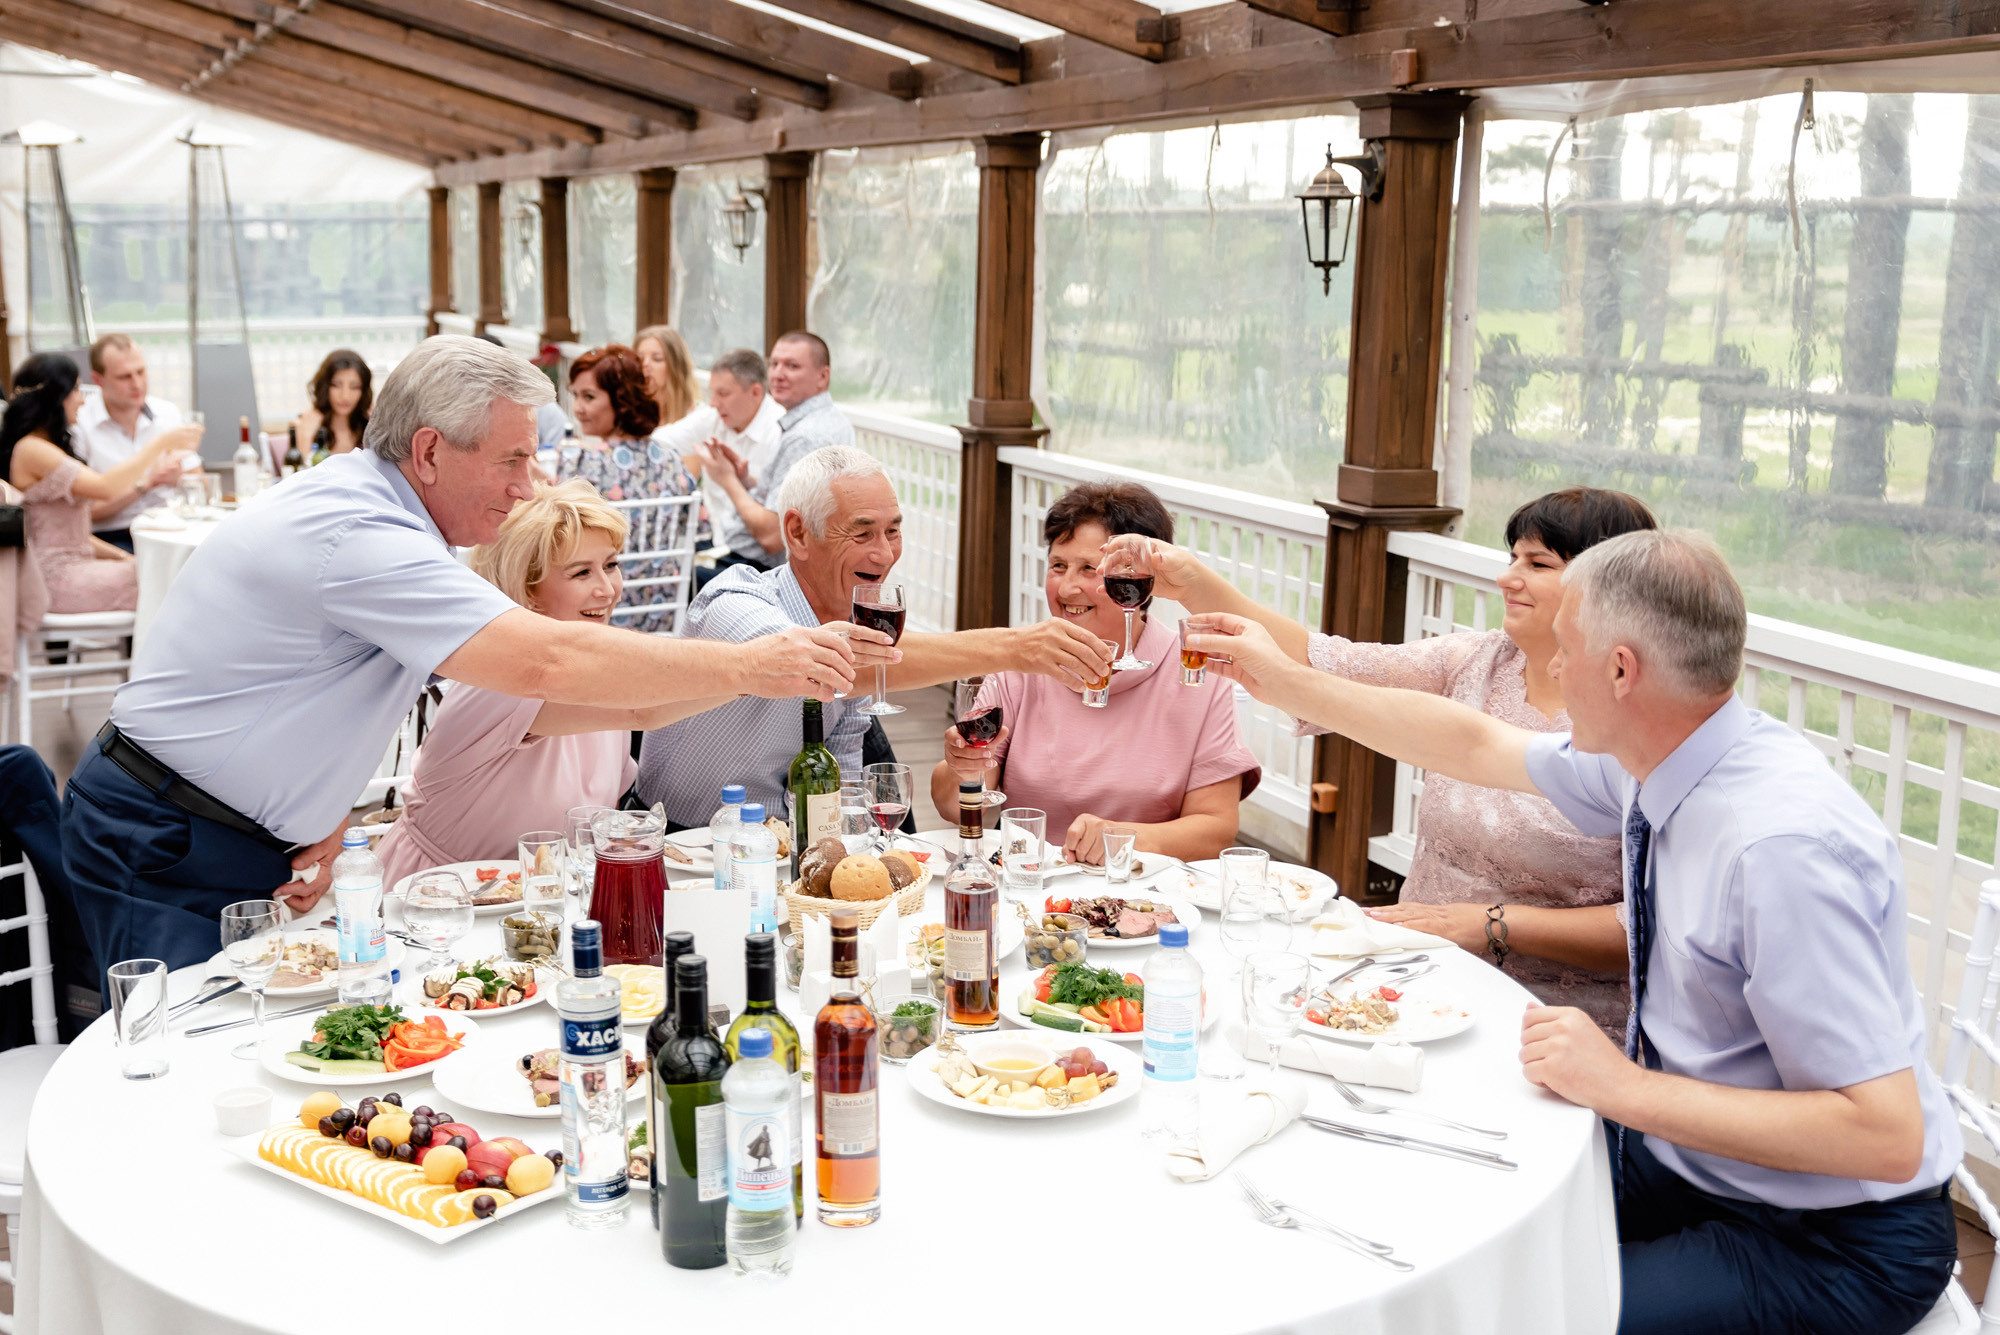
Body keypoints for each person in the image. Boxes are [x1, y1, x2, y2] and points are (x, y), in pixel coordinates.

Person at [1187, 530, 1961, 1335]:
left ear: (1622, 670)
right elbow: (1472, 740)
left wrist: (1622, 1087)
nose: (1549, 673)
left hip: (1828, 1237)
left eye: (1563, 652)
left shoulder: (1779, 848)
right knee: (1425, 1207)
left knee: (1518, 1314)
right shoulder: (1659, 754)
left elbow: (1885, 1134)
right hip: (1684, 1160)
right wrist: (1286, 682)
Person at [63, 334, 856, 980]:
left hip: (218, 829)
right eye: (513, 458)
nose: (527, 485)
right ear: (432, 450)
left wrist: (324, 803)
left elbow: (302, 674)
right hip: (166, 831)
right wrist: (753, 665)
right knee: (171, 1064)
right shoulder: (368, 537)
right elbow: (547, 662)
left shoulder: (375, 510)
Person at [1116, 487, 1653, 1033]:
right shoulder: (1479, 660)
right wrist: (1195, 586)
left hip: (1555, 1021)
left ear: (1601, 587)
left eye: (1537, 563)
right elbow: (1328, 664)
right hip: (1416, 980)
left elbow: (1648, 928)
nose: (1507, 577)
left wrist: (1489, 924)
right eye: (1511, 557)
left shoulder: (1636, 728)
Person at [637, 446, 1114, 828]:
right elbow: (815, 662)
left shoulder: (860, 648)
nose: (885, 554)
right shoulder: (732, 600)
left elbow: (845, 772)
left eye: (894, 531)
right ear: (798, 533)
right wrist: (1016, 648)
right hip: (679, 846)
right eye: (862, 534)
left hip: (784, 848)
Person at [373, 480, 729, 885]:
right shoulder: (503, 675)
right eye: (581, 572)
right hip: (435, 893)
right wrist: (758, 671)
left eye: (611, 565)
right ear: (529, 592)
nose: (607, 589)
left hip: (536, 899)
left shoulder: (598, 672)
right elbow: (643, 708)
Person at [929, 481, 1258, 865]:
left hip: (1144, 893)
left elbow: (1215, 831)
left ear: (1143, 581)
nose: (1067, 588)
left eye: (1090, 569)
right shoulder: (1020, 664)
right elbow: (953, 806)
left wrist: (1120, 837)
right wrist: (961, 767)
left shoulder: (1195, 672)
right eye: (1058, 566)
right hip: (1029, 884)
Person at [1, 353, 193, 614]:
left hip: (75, 569)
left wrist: (126, 557)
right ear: (55, 397)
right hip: (58, 582)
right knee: (174, 580)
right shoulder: (31, 449)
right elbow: (106, 487)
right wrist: (160, 444)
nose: (82, 399)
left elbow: (74, 537)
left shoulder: (42, 446)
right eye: (76, 389)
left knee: (162, 573)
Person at [694, 330, 852, 589]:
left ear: (823, 377)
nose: (778, 374)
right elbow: (795, 499)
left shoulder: (807, 436)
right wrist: (746, 480)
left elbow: (772, 535)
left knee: (676, 580)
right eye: (775, 364)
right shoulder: (828, 420)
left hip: (769, 574)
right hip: (764, 562)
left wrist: (728, 480)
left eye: (792, 366)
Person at [560, 343, 696, 632]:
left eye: (589, 397)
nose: (578, 408)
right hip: (660, 609)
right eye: (576, 396)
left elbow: (557, 538)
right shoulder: (671, 459)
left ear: (621, 400)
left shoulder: (580, 460)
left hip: (597, 606)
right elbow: (697, 527)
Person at [74, 333, 205, 551]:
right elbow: (85, 512)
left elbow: (202, 483)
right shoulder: (81, 424)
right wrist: (146, 483)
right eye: (124, 377)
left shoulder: (167, 412)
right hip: (113, 535)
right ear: (98, 380)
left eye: (141, 372)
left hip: (172, 529)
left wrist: (179, 479)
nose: (137, 384)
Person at [654, 346, 784, 555]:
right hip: (715, 542)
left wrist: (730, 478)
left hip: (756, 557)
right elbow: (659, 440)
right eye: (712, 393)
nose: (714, 403)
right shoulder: (713, 418)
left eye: (723, 394)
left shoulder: (780, 433)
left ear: (756, 392)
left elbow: (775, 530)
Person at [291, 349, 372, 462]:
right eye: (336, 385)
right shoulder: (308, 423)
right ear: (325, 387)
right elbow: (299, 474)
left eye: (354, 387)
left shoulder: (370, 424)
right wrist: (305, 436)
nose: (345, 396)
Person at [634, 324, 703, 430]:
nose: (645, 364)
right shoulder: (627, 413)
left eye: (657, 359)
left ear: (676, 366)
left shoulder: (698, 416)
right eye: (640, 358)